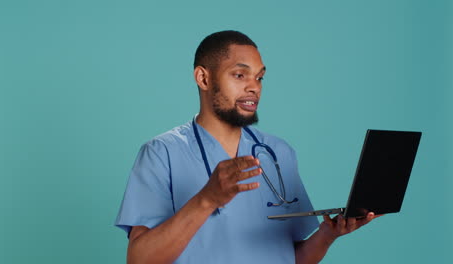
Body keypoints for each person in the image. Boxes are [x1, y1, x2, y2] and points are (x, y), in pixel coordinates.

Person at [115, 30, 379, 264]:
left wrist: (326, 235)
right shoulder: (161, 153)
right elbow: (139, 260)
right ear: (203, 78)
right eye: (240, 75)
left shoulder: (279, 153)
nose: (254, 87)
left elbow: (290, 257)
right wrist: (206, 199)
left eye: (259, 77)